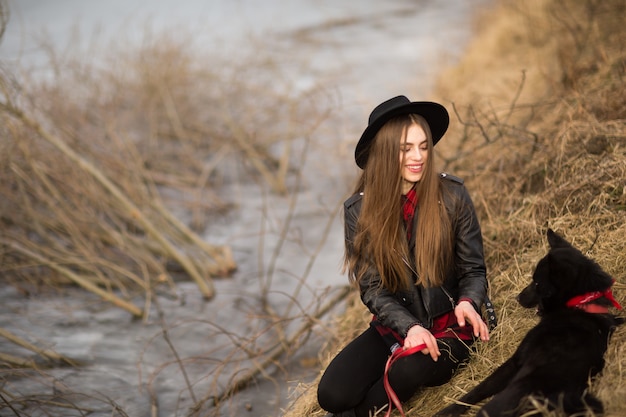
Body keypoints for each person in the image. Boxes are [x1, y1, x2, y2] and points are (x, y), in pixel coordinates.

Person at [317, 95, 492, 417]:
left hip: (450, 327)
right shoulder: (358, 210)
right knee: (331, 394)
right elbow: (372, 288)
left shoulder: (452, 195)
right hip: (397, 326)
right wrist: (410, 327)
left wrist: (468, 301)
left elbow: (473, 269)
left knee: (406, 372)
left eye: (423, 147)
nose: (418, 157)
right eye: (406, 148)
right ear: (384, 154)